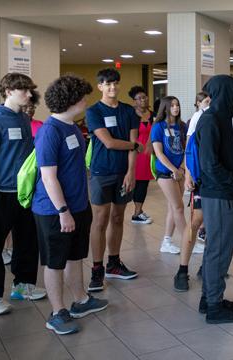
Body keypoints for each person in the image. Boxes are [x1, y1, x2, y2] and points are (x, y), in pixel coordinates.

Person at [33, 75, 108, 335]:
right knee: (55, 261)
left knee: (75, 256)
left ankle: (81, 300)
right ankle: (57, 312)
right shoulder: (49, 131)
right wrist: (63, 211)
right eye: (83, 97)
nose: (86, 101)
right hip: (54, 210)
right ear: (71, 101)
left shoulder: (73, 128)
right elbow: (48, 176)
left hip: (78, 205)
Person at [0, 73, 46, 315]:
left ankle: (23, 285)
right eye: (22, 90)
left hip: (24, 194)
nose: (28, 94)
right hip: (0, 195)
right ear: (7, 91)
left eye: (28, 89)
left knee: (27, 241)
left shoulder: (24, 120)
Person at [195, 74, 233, 324]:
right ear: (225, 91)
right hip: (219, 193)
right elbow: (208, 164)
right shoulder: (211, 120)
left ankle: (210, 298)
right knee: (219, 249)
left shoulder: (222, 117)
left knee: (215, 248)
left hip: (220, 192)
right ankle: (214, 306)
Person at [86, 68, 142, 292]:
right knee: (100, 220)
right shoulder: (93, 111)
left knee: (118, 218)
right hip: (101, 172)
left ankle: (114, 264)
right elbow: (108, 143)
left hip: (123, 173)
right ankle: (97, 270)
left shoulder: (128, 111)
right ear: (100, 86)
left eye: (115, 83)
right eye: (107, 84)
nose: (112, 87)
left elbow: (133, 143)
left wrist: (131, 172)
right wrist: (134, 146)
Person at [173, 92, 209, 291]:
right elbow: (189, 148)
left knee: (214, 224)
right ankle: (182, 270)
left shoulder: (230, 117)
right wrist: (188, 175)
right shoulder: (198, 116)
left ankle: (207, 266)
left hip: (219, 180)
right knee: (195, 221)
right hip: (201, 178)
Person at [150, 96, 186, 254]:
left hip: (180, 171)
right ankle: (188, 240)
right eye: (172, 105)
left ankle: (166, 242)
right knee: (179, 207)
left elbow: (185, 149)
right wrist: (174, 170)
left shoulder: (181, 126)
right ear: (165, 108)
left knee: (173, 207)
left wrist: (182, 169)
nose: (175, 108)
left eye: (177, 105)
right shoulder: (158, 127)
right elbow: (159, 153)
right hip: (165, 172)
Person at [128, 86, 155, 225]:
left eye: (145, 97)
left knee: (143, 183)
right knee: (135, 183)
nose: (143, 100)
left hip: (148, 154)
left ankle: (138, 212)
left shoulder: (153, 114)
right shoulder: (131, 115)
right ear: (134, 101)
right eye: (140, 98)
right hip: (135, 153)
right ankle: (136, 212)